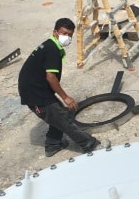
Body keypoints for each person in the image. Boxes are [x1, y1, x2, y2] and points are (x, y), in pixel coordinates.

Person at [18, 19, 102, 157]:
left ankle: (53, 144)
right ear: (55, 32)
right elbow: (51, 77)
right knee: (63, 120)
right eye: (64, 33)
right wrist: (65, 97)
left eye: (70, 35)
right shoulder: (52, 50)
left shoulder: (50, 45)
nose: (67, 37)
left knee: (58, 114)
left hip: (37, 88)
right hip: (35, 94)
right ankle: (89, 144)